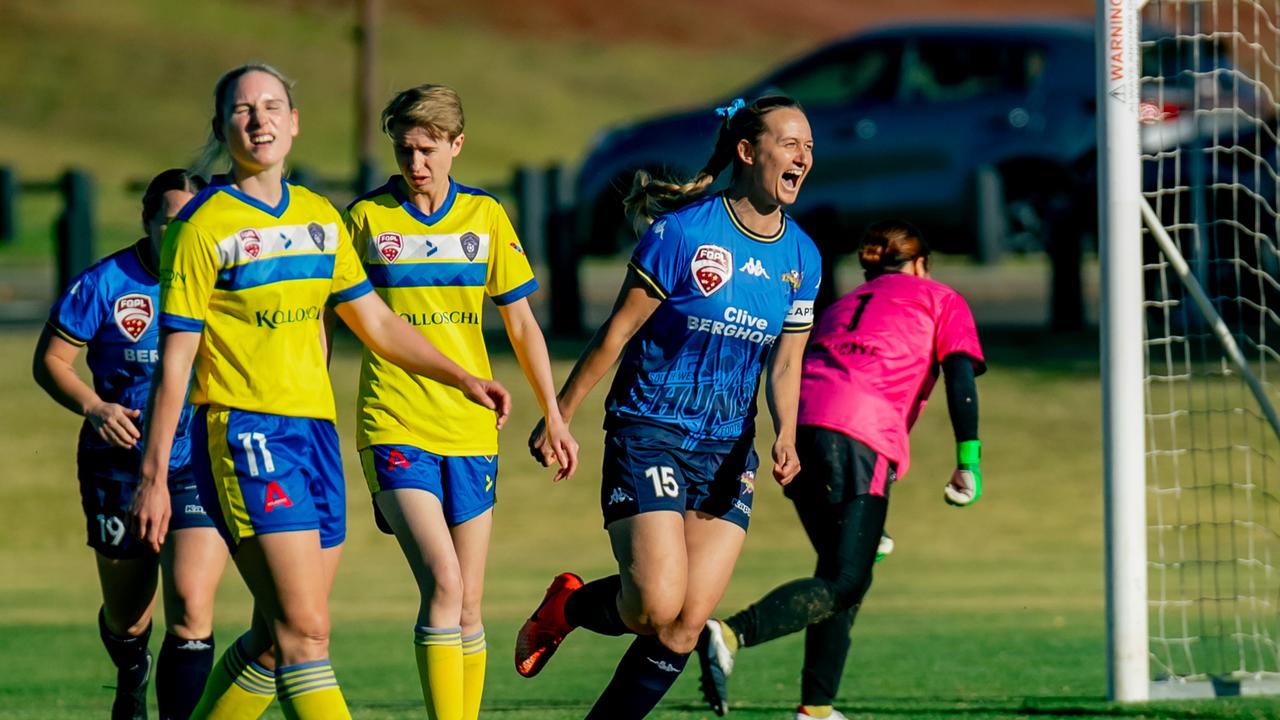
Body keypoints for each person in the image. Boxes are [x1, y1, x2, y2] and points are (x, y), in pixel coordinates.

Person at [127, 64, 511, 720]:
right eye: (242, 109)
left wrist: (463, 376)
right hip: (244, 432)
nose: (259, 119)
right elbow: (175, 364)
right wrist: (155, 475)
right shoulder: (202, 227)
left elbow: (378, 324)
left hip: (315, 437)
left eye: (272, 105)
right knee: (306, 636)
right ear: (223, 127)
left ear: (294, 122)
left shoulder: (318, 218)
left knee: (277, 642)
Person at [513, 94, 822, 719]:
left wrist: (787, 430)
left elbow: (786, 362)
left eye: (809, 147)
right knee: (654, 603)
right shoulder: (683, 234)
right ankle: (568, 607)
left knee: (685, 623)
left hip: (727, 449)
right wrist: (560, 413)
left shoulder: (802, 257)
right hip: (650, 429)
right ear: (746, 151)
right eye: (789, 143)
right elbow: (617, 333)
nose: (803, 157)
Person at [346, 83, 578, 720]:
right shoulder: (365, 220)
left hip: (472, 427)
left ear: (456, 146)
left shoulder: (486, 217)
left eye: (426, 149)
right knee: (443, 584)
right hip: (393, 418)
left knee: (470, 602)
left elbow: (523, 325)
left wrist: (553, 415)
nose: (414, 163)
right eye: (403, 149)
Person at [695, 220, 986, 720]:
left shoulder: (843, 305)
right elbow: (959, 373)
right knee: (846, 579)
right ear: (920, 265)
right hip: (857, 433)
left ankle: (816, 709)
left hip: (800, 427)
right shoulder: (940, 298)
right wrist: (968, 463)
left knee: (841, 572)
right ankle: (730, 634)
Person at [33, 168, 228, 720]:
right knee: (130, 619)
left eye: (192, 221)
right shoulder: (105, 283)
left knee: (190, 605)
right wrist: (95, 408)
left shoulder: (225, 283)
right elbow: (49, 361)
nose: (181, 232)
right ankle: (131, 671)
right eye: (170, 222)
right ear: (147, 222)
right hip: (117, 466)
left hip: (195, 462)